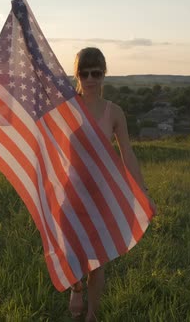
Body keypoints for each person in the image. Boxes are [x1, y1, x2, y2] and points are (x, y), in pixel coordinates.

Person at [68, 47, 151, 321]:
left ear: (104, 74)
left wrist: (143, 193)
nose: (90, 78)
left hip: (101, 195)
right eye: (84, 72)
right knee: (72, 250)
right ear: (76, 74)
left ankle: (92, 314)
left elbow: (127, 153)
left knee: (98, 259)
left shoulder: (114, 112)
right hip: (70, 192)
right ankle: (76, 286)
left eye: (96, 72)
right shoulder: (66, 108)